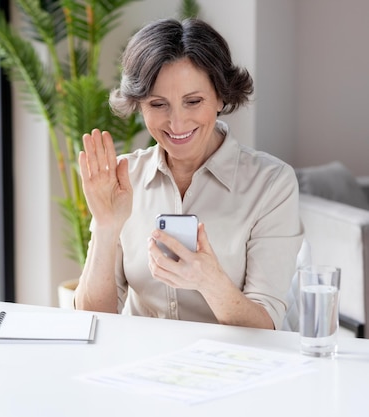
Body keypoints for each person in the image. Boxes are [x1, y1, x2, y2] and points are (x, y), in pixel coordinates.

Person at [73, 18, 303, 330]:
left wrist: (209, 281)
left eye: (193, 101)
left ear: (221, 97)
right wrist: (105, 225)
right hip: (143, 366)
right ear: (140, 105)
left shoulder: (272, 184)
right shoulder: (123, 179)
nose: (177, 123)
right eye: (158, 104)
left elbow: (266, 326)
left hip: (235, 369)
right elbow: (92, 320)